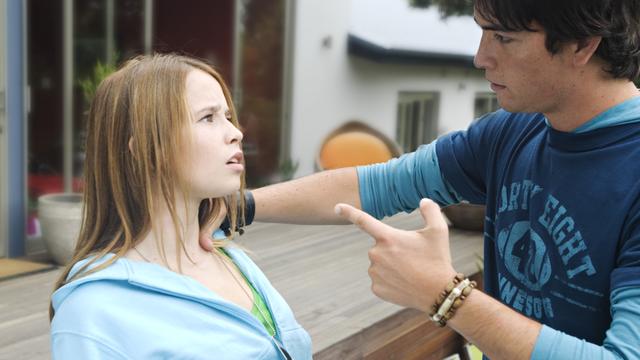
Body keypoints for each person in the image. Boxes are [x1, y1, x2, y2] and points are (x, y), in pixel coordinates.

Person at [204, 0, 640, 358]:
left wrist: (445, 295)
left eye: (504, 38)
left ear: (582, 44)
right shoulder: (513, 131)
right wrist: (239, 207)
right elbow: (383, 184)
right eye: (483, 33)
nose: (480, 57)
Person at [49, 54, 312, 360]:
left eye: (227, 116)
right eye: (208, 117)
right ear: (147, 150)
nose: (236, 132)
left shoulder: (235, 260)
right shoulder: (92, 313)